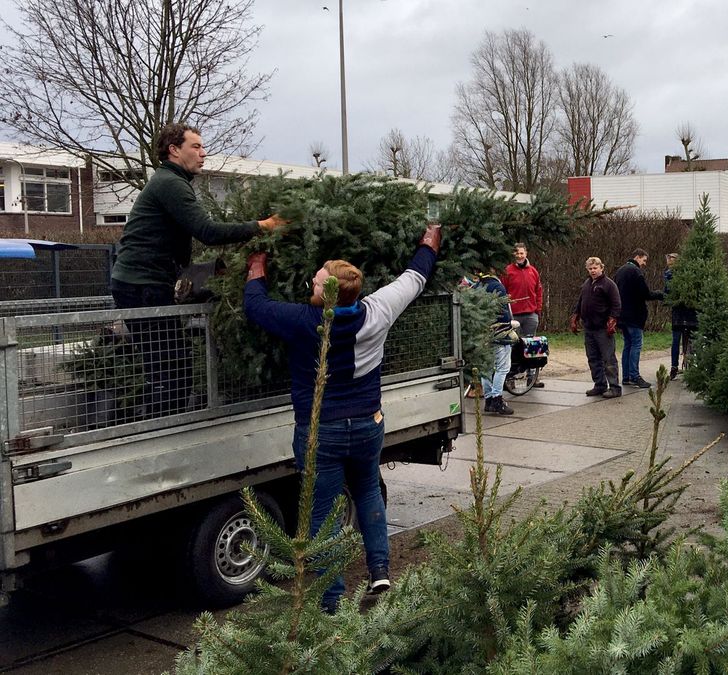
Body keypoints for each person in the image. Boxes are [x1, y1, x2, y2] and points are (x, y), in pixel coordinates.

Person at [242, 222, 442, 613]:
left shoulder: (305, 321)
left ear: (326, 294)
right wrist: (429, 241)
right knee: (368, 490)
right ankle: (379, 572)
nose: (312, 283)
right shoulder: (379, 309)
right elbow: (414, 277)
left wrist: (257, 265)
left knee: (324, 512)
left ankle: (332, 600)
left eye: (316, 282)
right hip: (368, 424)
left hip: (322, 433)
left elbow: (256, 306)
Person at [110, 122, 285, 416]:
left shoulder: (171, 181)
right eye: (196, 147)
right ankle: (162, 427)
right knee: (167, 368)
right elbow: (207, 231)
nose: (203, 153)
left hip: (145, 282)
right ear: (174, 150)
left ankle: (168, 422)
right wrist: (262, 226)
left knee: (173, 364)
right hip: (142, 286)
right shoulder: (170, 183)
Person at [570, 257, 622, 398]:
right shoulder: (587, 283)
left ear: (601, 268)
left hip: (603, 328)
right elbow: (580, 301)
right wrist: (575, 316)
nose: (593, 271)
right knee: (593, 358)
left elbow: (616, 304)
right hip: (589, 327)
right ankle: (599, 385)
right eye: (590, 268)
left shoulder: (609, 284)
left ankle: (615, 387)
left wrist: (612, 320)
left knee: (608, 358)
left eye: (595, 268)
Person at [612, 248, 663, 388]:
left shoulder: (620, 271)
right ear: (637, 257)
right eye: (644, 260)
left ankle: (626, 376)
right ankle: (635, 376)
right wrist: (660, 294)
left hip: (622, 315)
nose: (645, 263)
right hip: (635, 316)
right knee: (636, 345)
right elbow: (645, 293)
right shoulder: (636, 272)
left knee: (627, 345)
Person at [501, 242, 546, 389]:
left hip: (531, 314)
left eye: (522, 253)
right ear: (513, 254)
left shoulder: (533, 271)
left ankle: (532, 377)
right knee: (513, 346)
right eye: (517, 253)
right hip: (514, 316)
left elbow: (539, 291)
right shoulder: (507, 271)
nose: (519, 256)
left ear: (526, 254)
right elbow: (503, 292)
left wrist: (537, 309)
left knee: (532, 346)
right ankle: (510, 378)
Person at [472, 270, 516, 415]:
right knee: (502, 368)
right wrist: (509, 327)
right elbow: (504, 314)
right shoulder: (497, 286)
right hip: (499, 334)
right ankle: (497, 400)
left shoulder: (477, 286)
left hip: (483, 335)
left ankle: (489, 400)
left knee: (487, 369)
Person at [662, 253, 698, 380]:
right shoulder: (691, 274)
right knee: (691, 340)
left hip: (677, 313)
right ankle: (691, 365)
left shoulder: (668, 275)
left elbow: (667, 293)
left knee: (676, 341)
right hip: (691, 312)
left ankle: (674, 367)